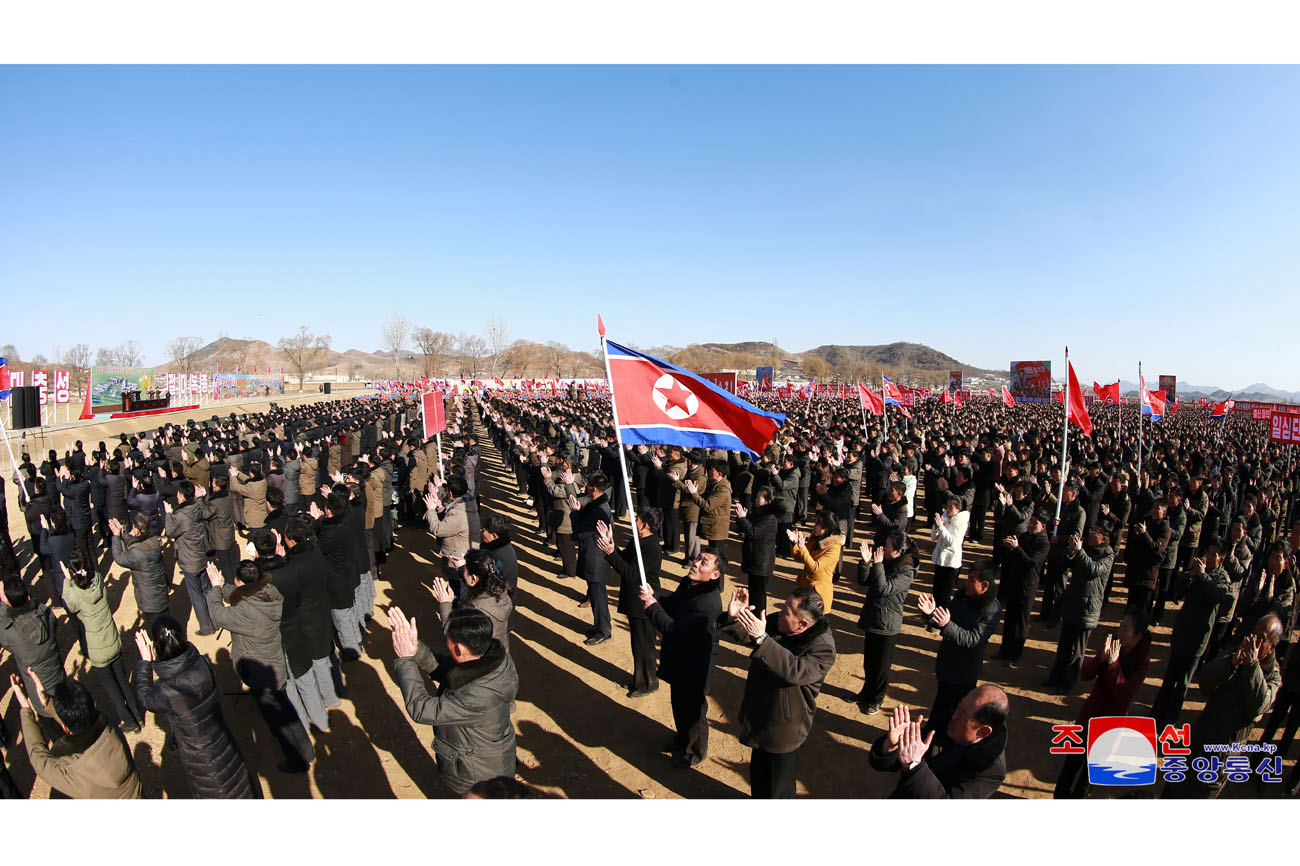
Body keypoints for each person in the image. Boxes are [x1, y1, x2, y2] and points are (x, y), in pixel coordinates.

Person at [716, 587, 836, 798]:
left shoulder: (823, 648)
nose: (779, 612)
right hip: (761, 712)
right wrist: (735, 618)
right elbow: (751, 635)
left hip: (783, 727)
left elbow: (796, 671)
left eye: (787, 610)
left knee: (777, 791)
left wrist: (762, 639)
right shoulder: (781, 623)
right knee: (760, 780)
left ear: (802, 624)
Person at [388, 606, 519, 796]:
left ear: (460, 648)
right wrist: (416, 649)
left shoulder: (479, 696)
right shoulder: (492, 657)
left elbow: (422, 709)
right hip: (489, 756)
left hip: (477, 772)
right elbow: (449, 670)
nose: (447, 646)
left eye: (448, 642)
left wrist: (406, 660)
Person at [206, 560, 316, 774]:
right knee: (288, 711)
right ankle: (307, 750)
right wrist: (222, 586)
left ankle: (297, 761)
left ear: (242, 583)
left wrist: (215, 589)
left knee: (278, 723)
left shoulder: (246, 612)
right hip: (276, 666)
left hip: (260, 674)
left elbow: (217, 615)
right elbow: (241, 594)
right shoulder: (269, 591)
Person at [133, 615, 259, 798]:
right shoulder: (202, 663)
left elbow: (146, 699)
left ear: (156, 648)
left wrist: (145, 662)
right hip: (224, 744)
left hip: (201, 763)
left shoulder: (166, 691)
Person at [1163, 613, 1284, 798]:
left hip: (1221, 758)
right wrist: (1231, 663)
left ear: (1272, 647)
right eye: (1253, 633)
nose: (1253, 641)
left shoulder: (1272, 677)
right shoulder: (1236, 654)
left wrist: (1252, 666)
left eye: (1261, 639)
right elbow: (1205, 680)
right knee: (1172, 790)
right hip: (1198, 741)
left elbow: (1258, 708)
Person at [640, 549, 725, 768]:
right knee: (678, 701)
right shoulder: (688, 584)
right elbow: (673, 604)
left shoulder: (708, 605)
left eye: (703, 562)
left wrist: (652, 608)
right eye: (697, 558)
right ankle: (682, 738)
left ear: (715, 574)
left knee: (694, 709)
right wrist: (656, 596)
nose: (695, 563)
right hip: (679, 656)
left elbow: (673, 629)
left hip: (695, 663)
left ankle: (694, 751)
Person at [1054, 611, 1152, 798]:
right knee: (1070, 766)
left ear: (1138, 637)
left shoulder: (1142, 660)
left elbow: (1126, 692)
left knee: (1089, 775)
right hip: (1089, 715)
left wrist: (1113, 664)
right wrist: (1101, 660)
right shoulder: (1113, 644)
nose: (1119, 631)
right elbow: (1085, 674)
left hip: (1110, 724)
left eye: (1125, 629)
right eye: (1120, 626)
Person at [1151, 535, 1235, 733]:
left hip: (1198, 639)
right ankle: (1156, 716)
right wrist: (1191, 575)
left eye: (1214, 554)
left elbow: (1217, 596)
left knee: (1182, 684)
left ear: (1221, 559)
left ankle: (1168, 722)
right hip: (1182, 632)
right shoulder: (1198, 569)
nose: (1209, 556)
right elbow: (1178, 586)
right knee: (1169, 678)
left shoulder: (1222, 577)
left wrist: (1203, 576)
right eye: (1208, 552)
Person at [8, 674, 141, 798]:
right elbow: (86, 716)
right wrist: (49, 703)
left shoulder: (72, 769)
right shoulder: (111, 729)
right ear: (92, 703)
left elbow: (39, 759)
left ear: (66, 729)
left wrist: (26, 710)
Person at [868, 685, 1010, 799]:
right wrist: (892, 746)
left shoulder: (990, 771)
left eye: (964, 715)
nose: (954, 716)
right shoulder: (946, 723)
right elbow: (887, 763)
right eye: (959, 706)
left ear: (982, 732)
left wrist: (914, 766)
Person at [916, 560, 1003, 741]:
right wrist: (931, 614)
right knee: (941, 706)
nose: (967, 583)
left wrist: (947, 624)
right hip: (947, 664)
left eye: (972, 580)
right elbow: (946, 618)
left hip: (964, 671)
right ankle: (931, 738)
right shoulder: (964, 594)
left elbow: (973, 639)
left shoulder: (992, 609)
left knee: (956, 716)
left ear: (985, 585)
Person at [60, 553, 145, 733]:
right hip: (113, 640)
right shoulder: (98, 580)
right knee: (123, 681)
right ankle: (138, 716)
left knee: (112, 688)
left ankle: (129, 721)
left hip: (98, 649)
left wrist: (67, 581)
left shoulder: (75, 594)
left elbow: (68, 603)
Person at [596, 508, 664, 698]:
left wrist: (610, 553)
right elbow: (625, 558)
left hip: (644, 602)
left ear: (646, 525)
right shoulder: (638, 539)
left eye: (637, 519)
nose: (634, 521)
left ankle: (648, 683)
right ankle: (639, 679)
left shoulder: (653, 547)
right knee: (637, 644)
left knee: (644, 645)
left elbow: (632, 574)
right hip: (633, 599)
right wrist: (612, 545)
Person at [1044, 525, 1116, 694]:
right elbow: (1066, 562)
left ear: (1104, 538)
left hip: (1087, 609)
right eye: (1092, 530)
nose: (1091, 533)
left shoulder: (1108, 555)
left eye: (1096, 532)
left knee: (1077, 650)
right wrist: (1070, 551)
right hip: (1073, 603)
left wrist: (1080, 551)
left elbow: (1093, 570)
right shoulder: (1086, 549)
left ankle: (1068, 682)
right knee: (1063, 646)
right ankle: (1055, 677)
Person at [855, 530, 915, 714]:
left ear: (898, 551)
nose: (883, 547)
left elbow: (883, 588)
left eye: (888, 545)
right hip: (873, 617)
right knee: (869, 662)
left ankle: (876, 698)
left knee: (881, 667)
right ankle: (866, 692)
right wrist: (866, 562)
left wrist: (878, 564)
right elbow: (864, 581)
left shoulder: (906, 571)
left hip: (887, 624)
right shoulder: (886, 562)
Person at [0, 575, 65, 725]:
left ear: (8, 602)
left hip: (39, 695)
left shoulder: (11, 633)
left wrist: (4, 603)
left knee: (53, 728)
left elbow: (3, 636)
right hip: (60, 683)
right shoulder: (47, 613)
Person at [996, 509, 1050, 664]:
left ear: (1043, 526)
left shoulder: (1044, 543)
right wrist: (1008, 547)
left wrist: (1016, 548)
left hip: (1027, 585)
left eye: (1035, 523)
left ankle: (1014, 654)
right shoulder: (1025, 536)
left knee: (1021, 621)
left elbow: (1031, 562)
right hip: (1014, 581)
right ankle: (1004, 650)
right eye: (1031, 521)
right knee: (1010, 618)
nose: (1031, 525)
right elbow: (1014, 558)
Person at [431, 549, 513, 651]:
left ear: (474, 578)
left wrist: (445, 603)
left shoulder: (476, 611)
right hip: (500, 654)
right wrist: (461, 567)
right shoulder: (501, 590)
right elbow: (479, 581)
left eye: (466, 568)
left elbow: (453, 633)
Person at [165, 480, 216, 636]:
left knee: (196, 595)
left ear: (181, 496)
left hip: (189, 558)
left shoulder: (180, 515)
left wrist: (168, 514)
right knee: (206, 589)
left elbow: (170, 532)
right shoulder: (196, 507)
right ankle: (215, 618)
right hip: (200, 553)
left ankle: (206, 627)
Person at [569, 472, 614, 646]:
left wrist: (574, 513)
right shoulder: (601, 505)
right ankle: (600, 626)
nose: (585, 488)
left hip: (595, 558)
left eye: (588, 486)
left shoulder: (597, 511)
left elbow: (580, 533)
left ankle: (603, 630)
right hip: (596, 557)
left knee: (598, 595)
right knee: (596, 593)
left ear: (593, 488)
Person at [109, 513, 169, 628]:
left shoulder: (137, 554)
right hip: (161, 594)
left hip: (149, 601)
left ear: (137, 531)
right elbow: (138, 540)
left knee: (157, 630)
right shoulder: (155, 540)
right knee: (166, 623)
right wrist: (122, 535)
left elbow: (119, 557)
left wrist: (116, 537)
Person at [735, 488, 782, 616]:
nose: (755, 500)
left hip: (762, 561)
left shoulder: (770, 518)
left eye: (759, 498)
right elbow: (745, 528)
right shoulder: (758, 513)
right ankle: (752, 616)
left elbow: (753, 533)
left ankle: (760, 620)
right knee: (753, 592)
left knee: (759, 594)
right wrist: (741, 518)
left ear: (767, 501)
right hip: (754, 559)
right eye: (756, 498)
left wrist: (743, 519)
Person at [787, 511, 843, 614]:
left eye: (818, 524)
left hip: (818, 593)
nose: (815, 526)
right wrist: (794, 543)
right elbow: (799, 557)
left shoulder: (834, 547)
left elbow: (815, 568)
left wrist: (802, 547)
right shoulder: (816, 540)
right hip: (805, 588)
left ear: (826, 528)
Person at [930, 493, 970, 610]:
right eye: (947, 506)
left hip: (951, 563)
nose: (947, 509)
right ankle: (933, 616)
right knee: (936, 592)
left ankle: (942, 620)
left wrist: (941, 527)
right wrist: (936, 526)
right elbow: (933, 537)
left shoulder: (962, 522)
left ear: (958, 509)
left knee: (944, 595)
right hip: (940, 560)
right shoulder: (945, 517)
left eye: (951, 507)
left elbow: (952, 542)